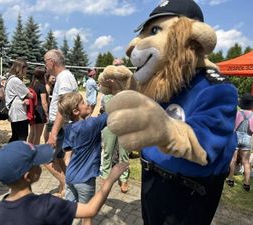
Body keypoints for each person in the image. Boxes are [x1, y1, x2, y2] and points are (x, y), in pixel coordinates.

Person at [100, 0, 238, 224]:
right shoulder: (163, 83)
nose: (135, 45)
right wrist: (127, 86)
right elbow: (147, 106)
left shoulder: (216, 87)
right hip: (152, 182)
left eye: (156, 31)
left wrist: (166, 129)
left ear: (190, 38)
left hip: (186, 194)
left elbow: (205, 145)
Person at [0, 141, 129, 225]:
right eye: (37, 162)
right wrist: (111, 178)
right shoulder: (47, 205)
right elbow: (90, 209)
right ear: (28, 176)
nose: (42, 163)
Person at [58, 92, 107, 225]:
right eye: (83, 103)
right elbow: (109, 115)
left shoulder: (68, 128)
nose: (87, 104)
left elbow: (67, 148)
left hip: (70, 176)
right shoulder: (91, 124)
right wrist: (99, 100)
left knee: (69, 212)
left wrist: (68, 160)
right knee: (87, 215)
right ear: (75, 111)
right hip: (85, 179)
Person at [44, 49, 78, 196]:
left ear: (52, 62)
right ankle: (66, 186)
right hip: (63, 125)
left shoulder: (64, 78)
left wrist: (54, 132)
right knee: (60, 157)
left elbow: (63, 108)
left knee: (44, 157)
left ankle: (65, 185)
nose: (45, 66)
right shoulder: (66, 76)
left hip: (60, 126)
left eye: (46, 62)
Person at [100, 63, 131, 193]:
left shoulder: (128, 92)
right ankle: (105, 177)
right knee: (107, 152)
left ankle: (124, 179)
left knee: (124, 154)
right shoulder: (106, 95)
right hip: (109, 126)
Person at [227, 93, 253, 192]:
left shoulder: (238, 113)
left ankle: (230, 179)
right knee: (246, 162)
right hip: (247, 138)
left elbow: (232, 126)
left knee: (233, 160)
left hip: (236, 137)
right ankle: (246, 183)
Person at [5, 57, 33, 142]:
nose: (26, 71)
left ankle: (10, 152)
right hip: (19, 113)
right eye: (25, 69)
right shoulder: (16, 81)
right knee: (22, 135)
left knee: (15, 135)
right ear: (21, 68)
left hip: (14, 111)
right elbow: (30, 95)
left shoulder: (10, 78)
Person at [28, 67, 49, 144]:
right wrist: (47, 114)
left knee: (32, 133)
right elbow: (44, 102)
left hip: (32, 110)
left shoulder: (31, 85)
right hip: (40, 111)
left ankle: (29, 149)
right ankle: (35, 151)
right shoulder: (41, 86)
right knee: (38, 135)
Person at [43, 70, 56, 142]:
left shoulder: (52, 86)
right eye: (52, 78)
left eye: (55, 78)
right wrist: (47, 112)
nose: (54, 80)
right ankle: (46, 141)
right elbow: (46, 100)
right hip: (49, 109)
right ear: (48, 78)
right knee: (48, 127)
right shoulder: (47, 87)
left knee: (48, 127)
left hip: (51, 108)